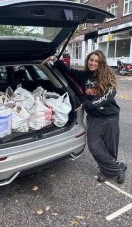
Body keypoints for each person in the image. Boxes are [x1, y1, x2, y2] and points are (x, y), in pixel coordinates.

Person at [45, 50, 127, 184]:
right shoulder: (83, 75)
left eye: (96, 61)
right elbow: (68, 71)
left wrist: (86, 105)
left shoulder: (108, 76)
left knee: (110, 146)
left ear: (101, 63)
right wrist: (55, 60)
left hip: (110, 116)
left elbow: (107, 97)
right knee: (94, 146)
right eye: (91, 60)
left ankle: (106, 170)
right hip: (94, 117)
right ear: (87, 60)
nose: (93, 63)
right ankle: (119, 167)